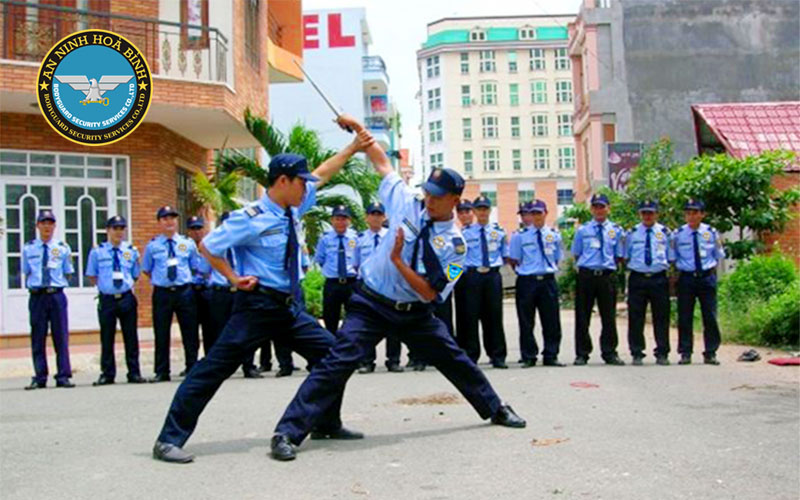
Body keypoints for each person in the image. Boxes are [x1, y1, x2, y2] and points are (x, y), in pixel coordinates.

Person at [269, 125, 526, 462]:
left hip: (416, 313)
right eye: (428, 193)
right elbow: (382, 165)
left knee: (455, 359)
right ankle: (287, 432)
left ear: (455, 200)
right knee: (336, 363)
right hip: (371, 303)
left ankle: (495, 408)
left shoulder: (458, 248)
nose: (429, 200)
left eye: (437, 196)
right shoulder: (406, 202)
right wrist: (361, 133)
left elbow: (432, 294)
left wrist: (398, 262)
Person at [152, 115, 371, 464]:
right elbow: (209, 246)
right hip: (256, 307)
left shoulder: (293, 207)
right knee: (212, 370)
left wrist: (354, 146)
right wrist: (233, 278)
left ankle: (326, 422)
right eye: (301, 181)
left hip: (288, 308)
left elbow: (325, 171)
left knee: (334, 354)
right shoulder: (250, 217)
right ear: (283, 181)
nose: (307, 186)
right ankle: (168, 439)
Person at [142, 206, 201, 382]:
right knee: (161, 332)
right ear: (159, 222)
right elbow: (147, 269)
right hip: (163, 293)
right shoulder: (153, 246)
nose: (169, 222)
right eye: (165, 218)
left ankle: (192, 367)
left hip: (184, 292)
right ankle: (162, 371)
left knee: (189, 331)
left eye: (173, 218)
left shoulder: (187, 243)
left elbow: (194, 266)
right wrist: (163, 280)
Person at [85, 215, 146, 385]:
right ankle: (107, 373)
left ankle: (134, 372)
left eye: (121, 229)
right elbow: (92, 275)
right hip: (107, 300)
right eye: (115, 228)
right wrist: (107, 287)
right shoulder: (98, 252)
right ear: (108, 230)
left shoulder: (131, 251)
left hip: (126, 298)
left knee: (131, 337)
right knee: (107, 337)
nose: (118, 232)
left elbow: (135, 275)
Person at [204, 212, 263, 379]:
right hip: (221, 292)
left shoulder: (243, 245)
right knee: (217, 331)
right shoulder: (215, 246)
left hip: (241, 291)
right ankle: (216, 367)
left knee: (246, 330)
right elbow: (203, 270)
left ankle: (249, 366)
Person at [508, 200, 565, 367]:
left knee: (551, 320)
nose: (536, 216)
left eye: (539, 213)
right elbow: (515, 260)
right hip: (527, 281)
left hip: (547, 280)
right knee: (526, 320)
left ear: (546, 213)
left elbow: (556, 258)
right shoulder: (520, 236)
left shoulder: (554, 235)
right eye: (533, 213)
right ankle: (528, 356)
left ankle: (551, 355)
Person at [22, 210, 75, 390]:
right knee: (38, 336)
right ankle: (39, 376)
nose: (47, 226)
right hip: (37, 296)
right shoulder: (29, 248)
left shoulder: (62, 248)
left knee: (61, 336)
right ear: (37, 225)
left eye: (50, 223)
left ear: (54, 226)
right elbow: (26, 271)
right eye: (43, 223)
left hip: (56, 295)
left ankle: (63, 375)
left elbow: (68, 271)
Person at [571, 194, 626, 366]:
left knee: (609, 316)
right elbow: (577, 253)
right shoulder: (583, 230)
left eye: (602, 207)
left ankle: (609, 352)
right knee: (582, 316)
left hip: (606, 276)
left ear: (608, 208)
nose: (599, 210)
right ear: (591, 209)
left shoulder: (616, 230)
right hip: (587, 275)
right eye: (595, 207)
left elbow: (619, 255)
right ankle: (582, 353)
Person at [457, 195, 509, 369]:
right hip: (473, 276)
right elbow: (459, 258)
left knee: (494, 316)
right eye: (479, 209)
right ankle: (471, 355)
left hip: (492, 276)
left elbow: (505, 254)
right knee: (471, 316)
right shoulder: (465, 233)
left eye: (485, 209)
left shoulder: (498, 232)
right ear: (474, 212)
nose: (482, 212)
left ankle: (497, 355)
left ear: (490, 210)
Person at [672, 199, 725, 365]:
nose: (691, 216)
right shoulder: (678, 234)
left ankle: (710, 352)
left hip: (706, 277)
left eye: (695, 212)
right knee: (685, 316)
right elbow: (674, 257)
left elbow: (718, 255)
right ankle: (685, 352)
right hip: (687, 278)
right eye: (688, 213)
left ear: (702, 214)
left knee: (709, 315)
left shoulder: (711, 233)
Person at [354, 201, 404, 374]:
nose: (375, 218)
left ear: (384, 217)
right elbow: (355, 263)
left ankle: (394, 360)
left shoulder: (391, 237)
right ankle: (367, 361)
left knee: (393, 323)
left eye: (379, 214)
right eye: (372, 214)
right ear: (366, 217)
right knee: (368, 324)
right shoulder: (359, 239)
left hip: (389, 283)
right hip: (367, 286)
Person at [624, 201, 672, 366]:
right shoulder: (632, 233)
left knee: (661, 316)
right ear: (640, 214)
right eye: (644, 213)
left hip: (659, 278)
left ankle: (662, 352)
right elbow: (625, 255)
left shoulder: (665, 232)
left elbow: (671, 256)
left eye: (650, 213)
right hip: (638, 278)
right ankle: (637, 352)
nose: (647, 216)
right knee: (636, 317)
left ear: (656, 214)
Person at [315, 205, 359, 335]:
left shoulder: (355, 238)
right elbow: (320, 259)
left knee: (353, 318)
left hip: (351, 283)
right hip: (332, 284)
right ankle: (332, 348)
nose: (341, 222)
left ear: (349, 221)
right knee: (330, 318)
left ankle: (349, 348)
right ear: (332, 220)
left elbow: (359, 260)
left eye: (344, 219)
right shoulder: (325, 239)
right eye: (337, 219)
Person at [186, 216, 213, 358]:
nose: (197, 232)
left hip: (207, 290)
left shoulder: (211, 246)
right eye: (193, 228)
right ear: (188, 231)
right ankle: (191, 363)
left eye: (199, 228)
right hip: (191, 290)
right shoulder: (184, 247)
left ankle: (209, 359)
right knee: (190, 328)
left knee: (210, 328)